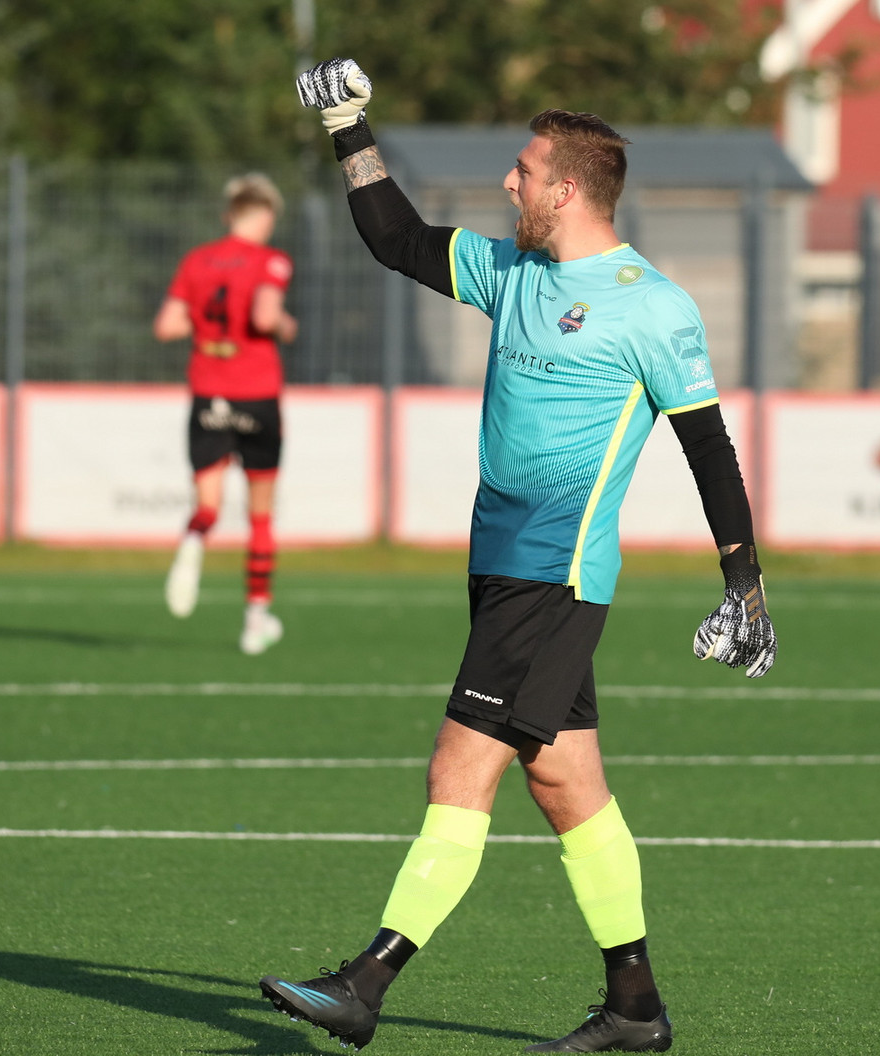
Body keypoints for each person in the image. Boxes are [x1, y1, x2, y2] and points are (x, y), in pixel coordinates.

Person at [259, 60, 778, 1052]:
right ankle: (635, 1009)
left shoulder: (652, 306)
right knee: (568, 785)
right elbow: (398, 240)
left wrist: (741, 576)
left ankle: (367, 982)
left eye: (524, 171)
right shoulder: (513, 271)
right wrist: (347, 128)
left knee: (460, 768)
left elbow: (707, 446)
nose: (509, 183)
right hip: (498, 565)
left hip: (556, 574)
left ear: (566, 189)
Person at [153, 172, 298, 655]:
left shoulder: (196, 260)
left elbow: (167, 326)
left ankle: (194, 540)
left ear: (228, 214)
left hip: (208, 393)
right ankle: (255, 621)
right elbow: (264, 317)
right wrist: (286, 325)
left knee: (208, 506)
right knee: (260, 517)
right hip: (256, 393)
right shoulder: (270, 261)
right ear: (265, 215)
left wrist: (204, 323)